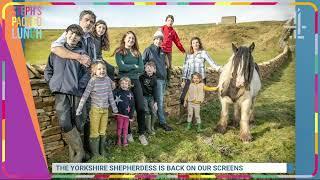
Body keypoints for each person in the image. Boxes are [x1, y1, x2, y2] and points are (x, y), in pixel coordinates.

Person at [50, 10, 97, 156]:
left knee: (82, 119)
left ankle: (86, 150)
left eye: (92, 21)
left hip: (85, 84)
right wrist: (78, 56)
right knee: (69, 120)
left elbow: (93, 62)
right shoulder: (71, 33)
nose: (89, 23)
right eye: (86, 20)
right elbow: (55, 48)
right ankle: (78, 154)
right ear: (80, 20)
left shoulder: (92, 41)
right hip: (69, 85)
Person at [44, 24, 86, 162]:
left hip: (75, 92)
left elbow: (87, 74)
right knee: (64, 123)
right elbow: (48, 70)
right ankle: (80, 152)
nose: (73, 37)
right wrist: (51, 82)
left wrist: (78, 86)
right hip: (60, 92)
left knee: (77, 122)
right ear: (66, 33)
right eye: (71, 33)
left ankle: (74, 156)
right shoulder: (56, 52)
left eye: (77, 35)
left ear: (80, 38)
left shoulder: (82, 54)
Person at [76, 61, 118, 157]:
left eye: (103, 69)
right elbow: (85, 95)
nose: (102, 70)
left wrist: (114, 108)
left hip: (105, 110)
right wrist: (79, 108)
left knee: (103, 131)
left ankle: (102, 151)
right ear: (94, 71)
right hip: (95, 111)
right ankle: (95, 154)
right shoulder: (92, 81)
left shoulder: (107, 80)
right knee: (95, 132)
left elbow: (110, 95)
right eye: (99, 69)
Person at [113, 31, 148, 145]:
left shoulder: (137, 53)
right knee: (125, 108)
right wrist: (133, 66)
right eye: (129, 38)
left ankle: (142, 133)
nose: (131, 40)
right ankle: (128, 133)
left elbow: (141, 69)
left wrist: (129, 68)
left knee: (141, 107)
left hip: (135, 81)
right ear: (124, 39)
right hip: (124, 82)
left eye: (133, 38)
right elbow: (121, 66)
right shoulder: (120, 51)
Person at [179, 37, 221, 124]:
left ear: (199, 44)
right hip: (189, 80)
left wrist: (219, 68)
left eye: (197, 42)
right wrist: (183, 79)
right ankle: (182, 118)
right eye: (194, 43)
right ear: (191, 45)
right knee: (183, 98)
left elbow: (211, 62)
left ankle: (194, 119)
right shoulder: (188, 55)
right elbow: (185, 67)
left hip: (200, 80)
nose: (195, 44)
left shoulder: (203, 53)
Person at [142, 30, 173, 131]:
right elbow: (143, 64)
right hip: (156, 80)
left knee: (160, 101)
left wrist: (167, 78)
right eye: (157, 39)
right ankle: (162, 122)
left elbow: (166, 66)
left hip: (163, 79)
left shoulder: (162, 51)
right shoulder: (148, 50)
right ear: (154, 39)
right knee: (158, 102)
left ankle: (155, 122)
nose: (159, 41)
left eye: (161, 39)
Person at [161, 15, 186, 85]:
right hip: (161, 50)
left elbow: (177, 42)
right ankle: (160, 80)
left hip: (168, 51)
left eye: (171, 21)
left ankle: (168, 81)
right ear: (166, 21)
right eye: (168, 20)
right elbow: (156, 37)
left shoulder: (173, 31)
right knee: (160, 65)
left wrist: (182, 50)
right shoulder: (162, 28)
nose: (170, 22)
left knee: (169, 66)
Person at [113, 77, 135, 146]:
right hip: (119, 114)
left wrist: (131, 116)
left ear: (129, 85)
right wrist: (114, 112)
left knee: (125, 128)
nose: (124, 85)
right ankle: (119, 139)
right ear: (119, 84)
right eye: (122, 83)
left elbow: (132, 105)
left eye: (126, 83)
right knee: (119, 127)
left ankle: (125, 139)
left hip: (127, 115)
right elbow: (113, 101)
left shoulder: (130, 94)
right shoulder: (117, 92)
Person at [139, 61, 158, 135]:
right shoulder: (141, 77)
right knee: (146, 111)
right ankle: (148, 129)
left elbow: (155, 90)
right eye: (148, 68)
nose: (149, 69)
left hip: (151, 97)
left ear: (154, 70)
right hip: (144, 97)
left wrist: (156, 101)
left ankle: (152, 126)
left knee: (154, 111)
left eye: (151, 68)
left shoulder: (154, 78)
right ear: (145, 69)